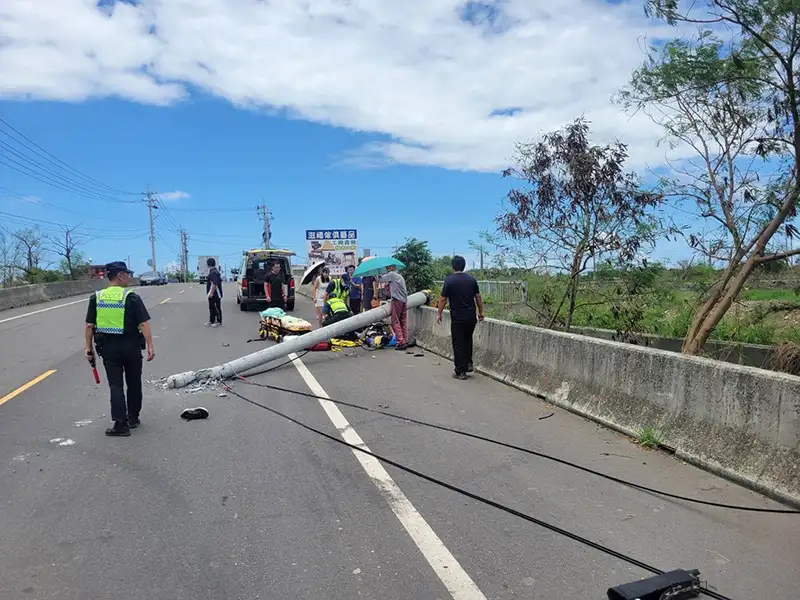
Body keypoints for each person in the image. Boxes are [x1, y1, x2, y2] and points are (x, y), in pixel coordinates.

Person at [84, 261, 155, 436]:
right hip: (131, 346)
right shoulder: (131, 297)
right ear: (120, 275)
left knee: (115, 385)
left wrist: (88, 348)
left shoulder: (97, 297)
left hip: (109, 348)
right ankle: (133, 417)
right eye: (127, 274)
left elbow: (89, 326)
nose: (129, 277)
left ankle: (120, 425)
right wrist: (150, 345)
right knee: (133, 382)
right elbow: (143, 324)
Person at [436, 255, 484, 380]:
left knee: (458, 343)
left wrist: (439, 313)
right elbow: (478, 297)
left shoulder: (449, 280)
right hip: (470, 316)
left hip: (457, 317)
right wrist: (481, 312)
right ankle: (468, 363)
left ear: (453, 266)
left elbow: (443, 299)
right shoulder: (471, 279)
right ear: (463, 266)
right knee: (468, 340)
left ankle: (460, 371)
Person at [380, 265, 408, 350]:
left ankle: (400, 341)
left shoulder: (392, 275)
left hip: (396, 301)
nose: (387, 270)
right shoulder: (399, 276)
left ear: (392, 268)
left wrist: (377, 275)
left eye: (388, 268)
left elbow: (381, 279)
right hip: (404, 300)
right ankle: (405, 340)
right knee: (403, 321)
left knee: (395, 321)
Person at [205, 257, 223, 327]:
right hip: (212, 293)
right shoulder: (213, 271)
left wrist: (211, 293)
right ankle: (211, 320)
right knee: (211, 307)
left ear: (208, 264)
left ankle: (219, 321)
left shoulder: (214, 272)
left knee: (216, 307)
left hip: (216, 294)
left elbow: (214, 283)